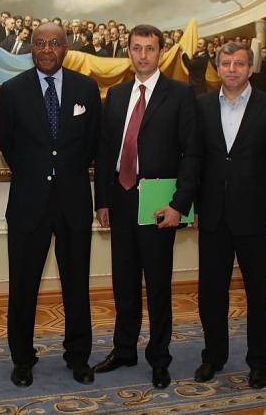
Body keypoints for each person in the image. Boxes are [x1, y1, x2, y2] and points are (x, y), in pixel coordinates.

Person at [94, 25, 199, 389]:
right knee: (123, 283)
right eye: (137, 48)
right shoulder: (117, 94)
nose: (142, 55)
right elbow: (105, 150)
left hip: (158, 205)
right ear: (128, 51)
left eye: (150, 49)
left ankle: (159, 357)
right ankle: (124, 350)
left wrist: (179, 204)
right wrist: (102, 201)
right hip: (120, 200)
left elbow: (192, 154)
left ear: (161, 52)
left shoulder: (180, 94)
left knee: (157, 286)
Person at [0, 23, 101, 387]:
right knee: (22, 287)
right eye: (39, 43)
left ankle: (78, 356)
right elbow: (9, 146)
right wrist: (38, 173)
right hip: (29, 204)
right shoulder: (12, 91)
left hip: (73, 202)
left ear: (65, 48)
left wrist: (65, 173)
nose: (46, 49)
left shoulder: (86, 89)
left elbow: (92, 143)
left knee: (77, 285)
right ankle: (22, 359)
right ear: (30, 47)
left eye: (54, 43)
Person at [193, 41, 266, 389]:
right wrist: (192, 207)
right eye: (226, 64)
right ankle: (213, 356)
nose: (232, 69)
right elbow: (194, 161)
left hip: (257, 219)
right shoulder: (202, 106)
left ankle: (259, 363)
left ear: (250, 69)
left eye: (239, 64)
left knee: (258, 295)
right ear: (217, 68)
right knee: (211, 294)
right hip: (212, 218)